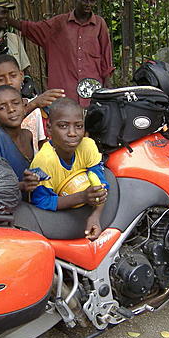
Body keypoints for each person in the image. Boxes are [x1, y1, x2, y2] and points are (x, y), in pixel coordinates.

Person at [7, 0, 114, 107]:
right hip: (65, 89)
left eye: (91, 0)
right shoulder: (59, 23)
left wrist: (107, 81)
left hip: (92, 89)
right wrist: (8, 20)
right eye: (84, 0)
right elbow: (34, 29)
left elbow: (106, 53)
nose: (88, 4)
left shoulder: (100, 24)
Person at [29, 98, 108, 240]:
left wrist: (95, 216)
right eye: (63, 126)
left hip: (86, 208)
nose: (72, 133)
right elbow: (41, 201)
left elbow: (101, 185)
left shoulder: (87, 146)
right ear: (49, 128)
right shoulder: (44, 161)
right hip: (60, 216)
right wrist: (82, 197)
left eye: (78, 126)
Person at [0, 54, 64, 151]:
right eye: (1, 79)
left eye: (13, 76)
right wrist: (33, 105)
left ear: (21, 76)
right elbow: (0, 131)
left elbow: (40, 141)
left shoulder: (34, 105)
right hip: (5, 162)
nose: (8, 82)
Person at [0, 85, 39, 193]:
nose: (11, 109)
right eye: (2, 108)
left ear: (24, 107)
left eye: (15, 103)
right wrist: (21, 186)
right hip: (11, 202)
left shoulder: (28, 134)